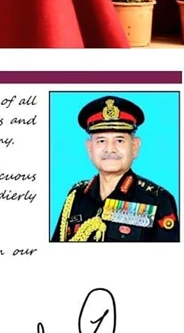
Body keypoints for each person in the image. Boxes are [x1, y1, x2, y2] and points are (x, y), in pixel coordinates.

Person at [52, 96, 179, 242]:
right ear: (89, 148)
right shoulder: (76, 197)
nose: (110, 149)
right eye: (101, 141)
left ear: (135, 147)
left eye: (119, 140)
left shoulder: (156, 200)